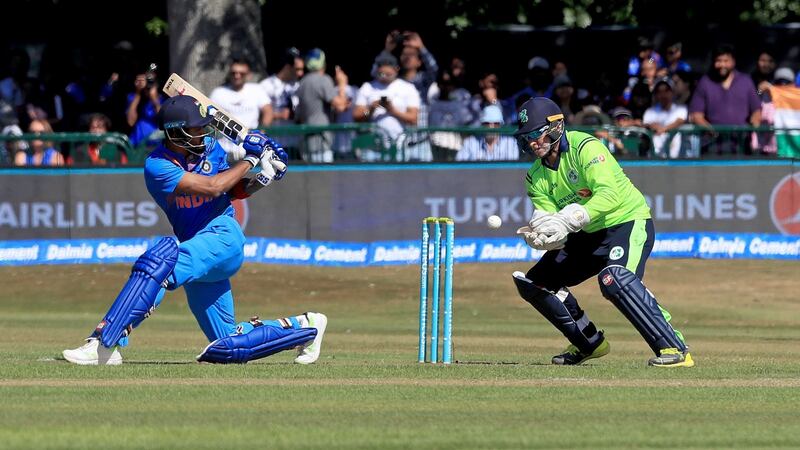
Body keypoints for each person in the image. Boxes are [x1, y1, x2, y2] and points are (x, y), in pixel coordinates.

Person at [62, 95, 327, 365]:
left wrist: (263, 175)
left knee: (159, 265)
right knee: (227, 343)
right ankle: (306, 327)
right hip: (198, 247)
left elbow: (231, 190)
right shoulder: (157, 166)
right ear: (176, 133)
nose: (203, 134)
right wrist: (252, 159)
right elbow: (213, 187)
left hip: (223, 236)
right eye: (197, 129)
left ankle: (104, 342)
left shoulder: (211, 147)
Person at [512, 97, 692, 368]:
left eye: (537, 134)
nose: (533, 142)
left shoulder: (586, 147)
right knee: (535, 282)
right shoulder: (535, 176)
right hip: (587, 235)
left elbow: (610, 195)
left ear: (556, 126)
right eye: (527, 137)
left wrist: (570, 218)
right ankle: (588, 342)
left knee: (615, 279)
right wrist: (544, 236)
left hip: (627, 221)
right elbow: (551, 219)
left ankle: (674, 347)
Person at [210, 58, 272, 159]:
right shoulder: (218, 92)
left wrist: (262, 133)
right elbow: (209, 114)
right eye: (233, 73)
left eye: (241, 73)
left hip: (250, 149)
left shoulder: (256, 90)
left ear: (249, 75)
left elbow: (268, 110)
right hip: (224, 150)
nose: (237, 76)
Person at [294, 48, 349, 162]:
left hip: (305, 143)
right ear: (323, 63)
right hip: (321, 143)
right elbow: (340, 106)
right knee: (323, 179)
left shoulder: (303, 82)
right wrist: (342, 84)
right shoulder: (323, 80)